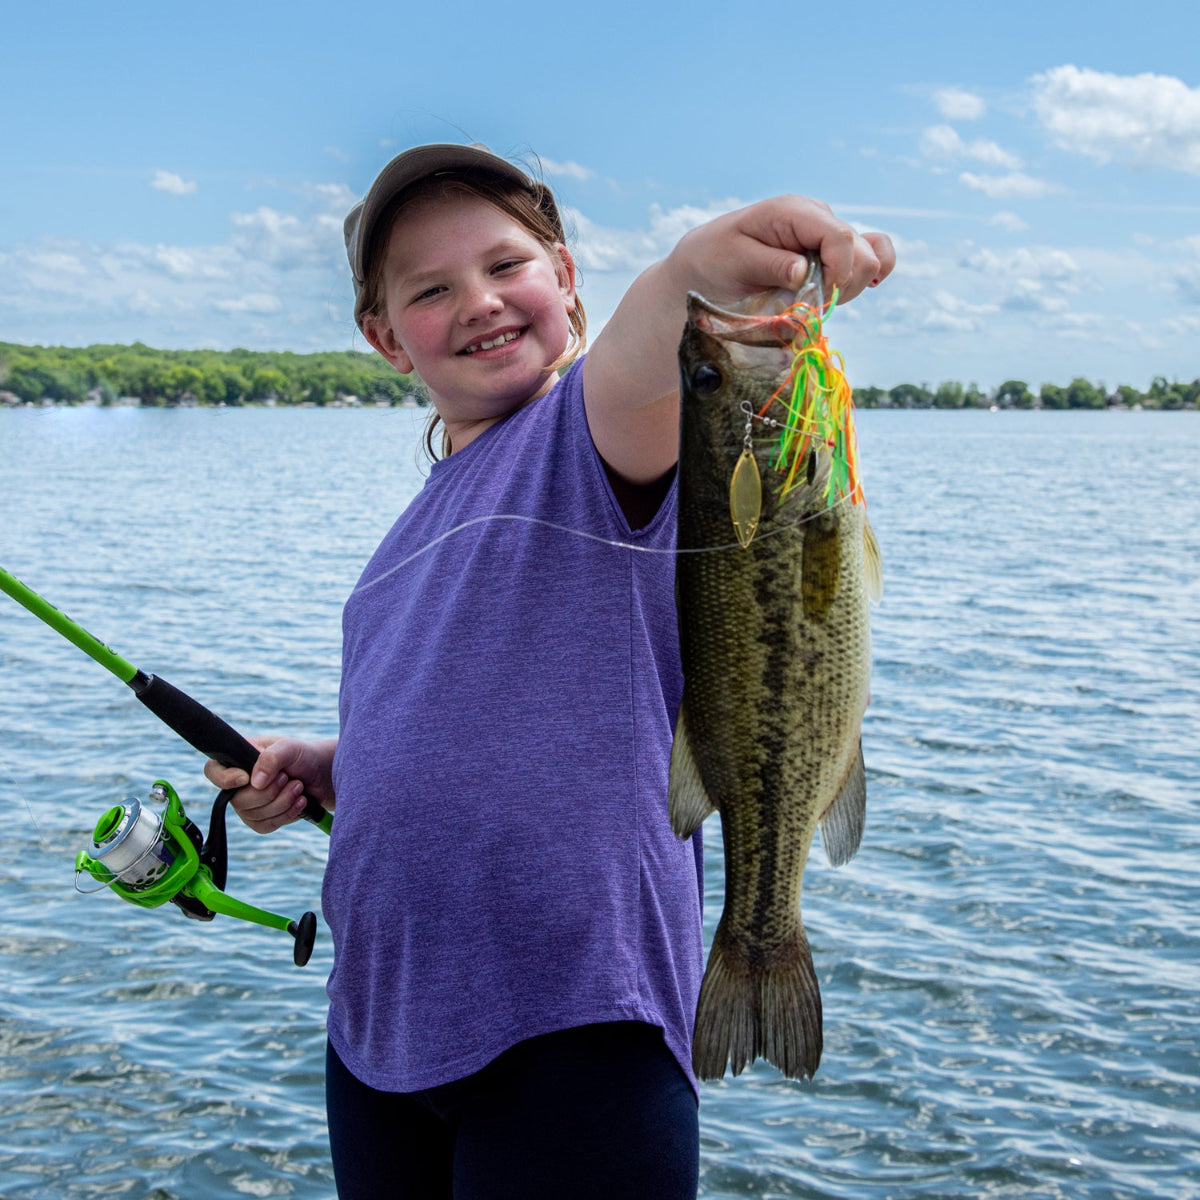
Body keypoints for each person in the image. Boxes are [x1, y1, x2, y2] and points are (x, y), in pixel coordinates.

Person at [205, 142, 894, 1199]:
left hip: (574, 1022)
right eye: (432, 290)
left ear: (568, 280)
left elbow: (666, 321)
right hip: (381, 1029)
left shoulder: (595, 437)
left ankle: (766, 942)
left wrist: (713, 265)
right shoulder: (409, 534)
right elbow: (476, 720)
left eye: (507, 265)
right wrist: (328, 765)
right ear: (386, 338)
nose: (479, 302)